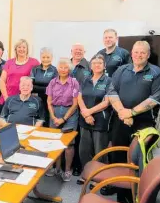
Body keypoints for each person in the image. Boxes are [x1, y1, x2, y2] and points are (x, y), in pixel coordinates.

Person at [108, 41, 160, 203]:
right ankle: (121, 193)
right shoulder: (121, 70)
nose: (138, 55)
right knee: (117, 154)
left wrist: (131, 112)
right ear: (131, 53)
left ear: (147, 54)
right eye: (136, 52)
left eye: (142, 53)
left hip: (143, 123)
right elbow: (111, 92)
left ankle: (138, 195)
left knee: (138, 157)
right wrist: (123, 113)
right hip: (120, 119)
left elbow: (155, 98)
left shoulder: (156, 72)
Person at [77, 54, 112, 184]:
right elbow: (79, 97)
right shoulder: (85, 79)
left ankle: (99, 177)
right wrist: (86, 114)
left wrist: (89, 112)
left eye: (99, 63)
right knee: (84, 149)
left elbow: (107, 102)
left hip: (100, 120)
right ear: (91, 66)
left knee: (99, 150)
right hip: (85, 119)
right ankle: (86, 173)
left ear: (104, 66)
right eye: (94, 63)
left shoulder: (108, 81)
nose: (97, 65)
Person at [45, 58, 79, 182]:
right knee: (55, 142)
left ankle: (67, 170)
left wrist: (64, 118)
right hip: (54, 112)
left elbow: (75, 104)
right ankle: (57, 168)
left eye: (66, 68)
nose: (63, 70)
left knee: (69, 143)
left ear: (69, 69)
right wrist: (53, 117)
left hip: (69, 113)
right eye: (61, 67)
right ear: (57, 68)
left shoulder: (74, 83)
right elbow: (48, 102)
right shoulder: (52, 82)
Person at [0, 39, 40, 113]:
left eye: (24, 47)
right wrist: (6, 97)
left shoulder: (34, 62)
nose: (21, 49)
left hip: (24, 100)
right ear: (15, 49)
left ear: (27, 49)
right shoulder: (9, 62)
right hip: (8, 97)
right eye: (19, 47)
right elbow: (2, 80)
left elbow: (37, 79)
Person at [70, 43, 91, 176]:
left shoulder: (89, 66)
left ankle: (77, 165)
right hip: (65, 105)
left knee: (78, 137)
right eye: (75, 50)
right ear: (71, 51)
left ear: (84, 52)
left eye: (80, 50)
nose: (78, 52)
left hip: (81, 105)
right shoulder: (65, 63)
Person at [30, 47, 58, 126]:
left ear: (52, 58)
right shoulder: (35, 69)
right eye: (43, 57)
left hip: (49, 101)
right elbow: (31, 87)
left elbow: (53, 88)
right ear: (40, 57)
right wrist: (46, 88)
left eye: (48, 57)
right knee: (36, 122)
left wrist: (37, 87)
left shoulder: (55, 70)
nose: (45, 59)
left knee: (46, 122)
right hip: (35, 100)